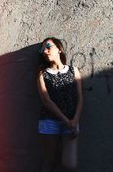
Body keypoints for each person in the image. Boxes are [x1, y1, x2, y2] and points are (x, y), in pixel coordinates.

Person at [37, 37, 83, 172]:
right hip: (49, 122)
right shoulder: (42, 74)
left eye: (48, 46)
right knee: (49, 162)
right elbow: (46, 101)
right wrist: (66, 122)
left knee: (70, 165)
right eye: (42, 49)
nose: (45, 51)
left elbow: (80, 98)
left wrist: (74, 121)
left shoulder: (74, 70)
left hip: (72, 121)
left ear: (59, 49)